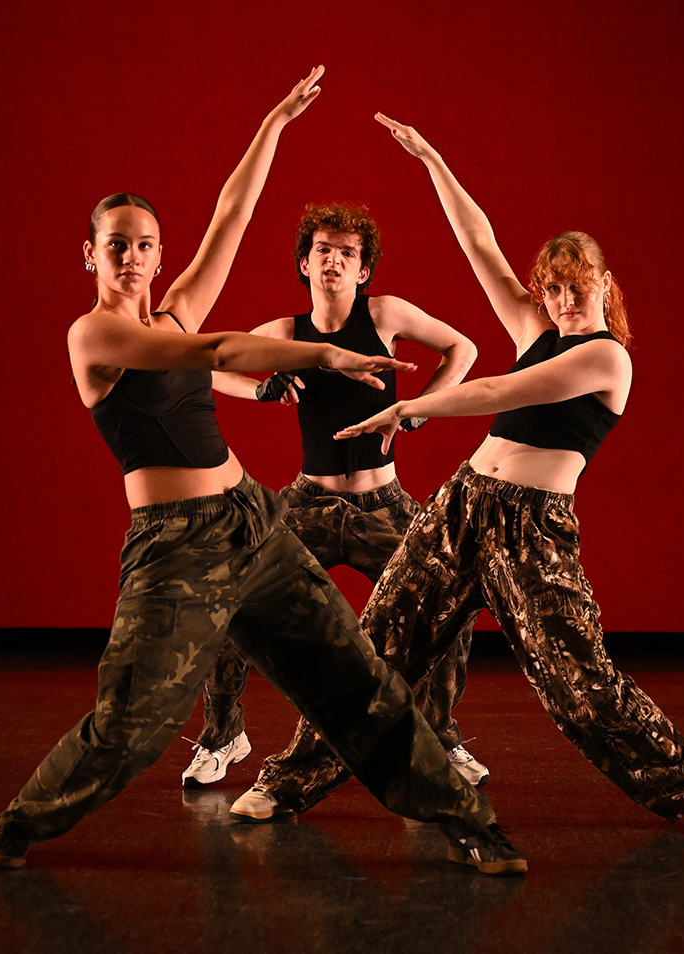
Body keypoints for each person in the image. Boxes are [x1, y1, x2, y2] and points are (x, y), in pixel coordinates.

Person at [0, 70, 525, 876]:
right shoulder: (92, 337)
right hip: (176, 549)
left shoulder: (172, 306)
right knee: (131, 722)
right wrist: (325, 353)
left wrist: (273, 123)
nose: (132, 256)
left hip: (251, 520)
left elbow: (231, 217)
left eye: (145, 244)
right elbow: (216, 353)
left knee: (356, 678)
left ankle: (468, 820)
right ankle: (19, 825)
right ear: (89, 254)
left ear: (160, 255)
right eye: (116, 244)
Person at [224, 112, 684, 837]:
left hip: (532, 528)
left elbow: (497, 393)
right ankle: (288, 782)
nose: (563, 300)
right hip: (463, 505)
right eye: (552, 287)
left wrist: (410, 407)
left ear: (604, 285)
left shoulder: (606, 359)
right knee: (375, 653)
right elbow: (479, 244)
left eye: (577, 286)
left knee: (576, 687)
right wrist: (433, 159)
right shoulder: (537, 331)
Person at [185, 202, 490, 798]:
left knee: (450, 602)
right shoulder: (283, 332)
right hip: (310, 507)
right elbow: (207, 364)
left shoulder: (386, 313)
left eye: (348, 253)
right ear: (305, 263)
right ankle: (223, 735)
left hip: (385, 505)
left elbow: (464, 349)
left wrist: (421, 406)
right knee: (230, 597)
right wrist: (262, 389)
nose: (334, 260)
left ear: (363, 270)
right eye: (323, 249)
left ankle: (441, 735)